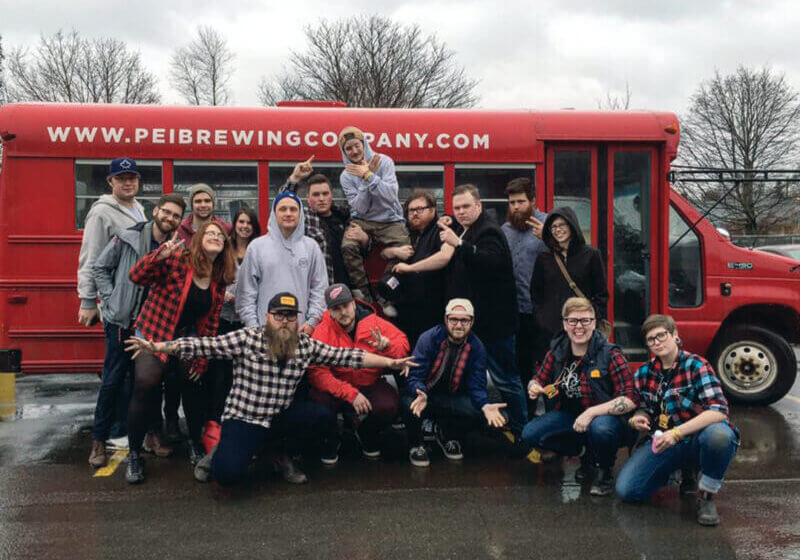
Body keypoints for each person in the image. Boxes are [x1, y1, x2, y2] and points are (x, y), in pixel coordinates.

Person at [125, 292, 418, 487]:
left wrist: (390, 362)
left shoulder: (305, 345)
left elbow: (350, 356)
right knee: (227, 476)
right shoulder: (248, 338)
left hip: (278, 417)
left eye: (291, 316)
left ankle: (277, 453)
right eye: (279, 315)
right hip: (244, 418)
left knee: (321, 417)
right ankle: (224, 451)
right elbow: (204, 345)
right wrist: (158, 347)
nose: (285, 321)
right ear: (267, 317)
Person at [406, 184, 527, 442]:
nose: (460, 212)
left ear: (479, 206)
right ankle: (479, 430)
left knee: (506, 380)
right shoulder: (464, 228)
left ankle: (521, 433)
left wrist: (459, 243)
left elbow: (490, 262)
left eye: (466, 206)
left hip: (494, 326)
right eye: (456, 208)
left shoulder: (489, 232)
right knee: (469, 380)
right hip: (471, 324)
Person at [125, 221, 236, 484]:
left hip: (187, 335)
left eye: (220, 236)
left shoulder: (218, 277)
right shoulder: (177, 259)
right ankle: (134, 454)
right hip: (154, 331)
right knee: (146, 382)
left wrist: (203, 357)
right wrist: (157, 256)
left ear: (224, 245)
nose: (215, 237)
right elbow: (136, 276)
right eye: (209, 233)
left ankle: (195, 443)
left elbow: (211, 320)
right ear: (199, 239)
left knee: (194, 382)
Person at [88, 193, 186, 468]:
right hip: (124, 320)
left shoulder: (176, 247)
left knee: (150, 382)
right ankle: (99, 440)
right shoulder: (128, 236)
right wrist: (111, 299)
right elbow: (100, 268)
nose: (169, 218)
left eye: (176, 216)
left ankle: (152, 435)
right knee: (113, 380)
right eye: (166, 212)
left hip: (152, 324)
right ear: (155, 211)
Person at [616, 314, 739, 526]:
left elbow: (718, 410)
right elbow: (643, 406)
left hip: (695, 438)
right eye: (651, 339)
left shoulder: (697, 365)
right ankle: (676, 470)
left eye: (661, 335)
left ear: (675, 335)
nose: (657, 342)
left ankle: (707, 496)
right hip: (663, 442)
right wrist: (639, 417)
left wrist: (677, 433)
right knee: (628, 490)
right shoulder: (644, 372)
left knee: (719, 436)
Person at [523, 297, 637, 496]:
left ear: (594, 323)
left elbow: (630, 399)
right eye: (572, 321)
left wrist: (591, 412)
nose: (579, 326)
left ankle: (604, 472)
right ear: (564, 324)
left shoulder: (611, 354)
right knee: (530, 433)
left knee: (601, 428)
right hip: (570, 418)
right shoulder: (556, 351)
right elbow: (538, 378)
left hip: (606, 419)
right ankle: (584, 452)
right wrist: (534, 387)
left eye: (585, 320)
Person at [308, 284, 409, 463]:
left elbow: (403, 346)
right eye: (336, 308)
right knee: (318, 405)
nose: (343, 312)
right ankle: (332, 437)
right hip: (337, 385)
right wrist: (350, 394)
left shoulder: (373, 322)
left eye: (346, 305)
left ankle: (366, 432)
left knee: (389, 406)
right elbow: (317, 372)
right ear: (329, 311)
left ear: (354, 304)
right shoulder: (323, 329)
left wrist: (388, 346)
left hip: (369, 382)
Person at [403, 299, 508, 467]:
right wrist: (419, 391)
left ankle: (446, 434)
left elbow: (477, 386)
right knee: (409, 402)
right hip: (424, 395)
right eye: (454, 320)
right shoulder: (429, 338)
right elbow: (413, 376)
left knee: (479, 412)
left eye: (464, 320)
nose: (458, 325)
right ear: (446, 320)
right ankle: (416, 444)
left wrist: (484, 404)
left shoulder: (477, 347)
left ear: (472, 322)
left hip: (451, 398)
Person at [202, 207, 262, 453]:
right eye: (241, 222)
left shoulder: (259, 249)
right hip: (224, 319)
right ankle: (215, 422)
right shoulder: (224, 249)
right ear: (234, 224)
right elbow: (210, 277)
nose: (245, 226)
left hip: (250, 321)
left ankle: (242, 424)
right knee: (220, 375)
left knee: (246, 375)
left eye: (249, 222)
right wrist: (223, 294)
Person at [338, 126, 410, 313]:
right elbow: (360, 208)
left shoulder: (384, 161)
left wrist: (369, 175)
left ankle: (384, 293)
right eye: (348, 148)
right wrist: (364, 179)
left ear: (364, 144)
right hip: (362, 220)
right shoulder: (346, 176)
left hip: (390, 220)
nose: (354, 151)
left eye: (357, 145)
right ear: (344, 152)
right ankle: (366, 297)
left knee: (407, 250)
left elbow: (390, 196)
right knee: (347, 247)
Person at [236, 191, 327, 335]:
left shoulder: (311, 247)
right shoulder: (257, 247)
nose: (288, 213)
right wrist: (253, 327)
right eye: (283, 209)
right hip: (264, 332)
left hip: (301, 332)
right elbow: (246, 293)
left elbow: (319, 289)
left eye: (293, 209)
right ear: (274, 214)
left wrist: (312, 322)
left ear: (300, 214)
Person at [530, 207, 609, 364]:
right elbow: (535, 293)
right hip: (550, 331)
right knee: (553, 370)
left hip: (581, 328)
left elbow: (601, 294)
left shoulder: (591, 255)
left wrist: (590, 319)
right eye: (553, 227)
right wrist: (542, 319)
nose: (557, 230)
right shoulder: (543, 258)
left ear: (572, 226)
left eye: (562, 225)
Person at [78, 157, 146, 329]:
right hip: (118, 300)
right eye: (121, 179)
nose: (128, 183)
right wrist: (88, 300)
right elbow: (91, 256)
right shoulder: (101, 213)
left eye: (132, 178)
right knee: (117, 345)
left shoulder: (138, 208)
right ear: (110, 181)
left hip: (136, 297)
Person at [279, 158, 370, 286]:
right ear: (308, 199)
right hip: (320, 289)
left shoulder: (346, 217)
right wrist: (295, 177)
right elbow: (284, 204)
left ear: (331, 195)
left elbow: (363, 254)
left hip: (352, 287)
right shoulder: (304, 218)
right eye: (316, 195)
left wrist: (365, 240)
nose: (321, 199)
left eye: (325, 194)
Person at [501, 177, 548, 385]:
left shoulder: (548, 224)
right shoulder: (505, 230)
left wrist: (548, 238)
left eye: (521, 201)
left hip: (544, 309)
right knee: (521, 364)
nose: (516, 207)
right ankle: (529, 405)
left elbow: (573, 253)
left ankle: (552, 403)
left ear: (533, 201)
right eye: (512, 203)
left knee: (548, 363)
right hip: (516, 311)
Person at [391, 189, 448, 348]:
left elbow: (443, 258)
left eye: (420, 209)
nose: (415, 213)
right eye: (411, 210)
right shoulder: (409, 234)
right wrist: (393, 251)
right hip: (408, 311)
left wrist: (410, 268)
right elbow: (383, 254)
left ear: (433, 210)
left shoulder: (441, 229)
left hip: (432, 312)